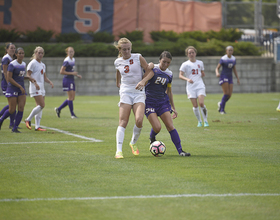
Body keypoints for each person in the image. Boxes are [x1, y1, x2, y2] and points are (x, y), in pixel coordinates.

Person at [136, 51, 191, 156]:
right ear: (159, 60)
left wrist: (173, 107)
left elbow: (169, 91)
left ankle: (180, 151)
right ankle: (152, 137)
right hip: (149, 102)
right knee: (157, 128)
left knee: (170, 126)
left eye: (168, 63)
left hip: (162, 102)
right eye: (164, 62)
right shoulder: (152, 68)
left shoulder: (169, 74)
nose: (165, 65)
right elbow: (145, 71)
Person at [114, 37, 154, 159]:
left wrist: (143, 81)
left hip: (139, 92)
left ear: (131, 48)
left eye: (128, 49)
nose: (127, 51)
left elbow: (150, 71)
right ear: (120, 50)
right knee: (123, 122)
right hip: (126, 92)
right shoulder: (117, 61)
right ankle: (118, 151)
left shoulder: (138, 57)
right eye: (124, 49)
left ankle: (133, 143)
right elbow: (118, 72)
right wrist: (118, 83)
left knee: (139, 120)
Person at [0, 48, 36, 132]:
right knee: (12, 109)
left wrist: (29, 78)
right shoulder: (12, 64)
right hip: (12, 88)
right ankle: (1, 120)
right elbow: (9, 78)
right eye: (19, 53)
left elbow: (20, 76)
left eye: (22, 53)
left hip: (21, 89)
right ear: (16, 54)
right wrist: (19, 86)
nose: (21, 55)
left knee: (21, 107)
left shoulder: (23, 64)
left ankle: (15, 128)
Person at [25, 46, 54, 131]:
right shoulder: (32, 63)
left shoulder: (43, 64)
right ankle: (28, 119)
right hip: (35, 87)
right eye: (39, 52)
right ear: (35, 53)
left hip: (41, 87)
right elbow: (28, 75)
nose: (40, 54)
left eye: (42, 53)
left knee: (39, 107)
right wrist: (34, 83)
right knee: (42, 105)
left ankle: (37, 126)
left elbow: (44, 77)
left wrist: (49, 82)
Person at [179, 46, 209, 127]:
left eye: (193, 52)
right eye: (189, 53)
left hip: (200, 85)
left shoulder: (200, 63)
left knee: (201, 103)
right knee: (195, 105)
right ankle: (199, 121)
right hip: (191, 87)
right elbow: (180, 75)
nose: (191, 54)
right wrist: (187, 79)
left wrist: (202, 74)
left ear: (195, 53)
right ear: (187, 54)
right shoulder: (185, 64)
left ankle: (205, 121)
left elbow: (202, 73)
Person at [55, 47, 82, 119]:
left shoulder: (73, 60)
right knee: (70, 98)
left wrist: (76, 75)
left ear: (74, 52)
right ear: (67, 53)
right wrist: (72, 73)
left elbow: (71, 70)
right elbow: (61, 72)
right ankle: (72, 114)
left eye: (72, 51)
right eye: (69, 52)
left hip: (72, 79)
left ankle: (59, 109)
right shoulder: (66, 60)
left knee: (72, 98)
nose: (71, 53)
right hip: (67, 80)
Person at [215, 45, 240, 114]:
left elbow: (234, 69)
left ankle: (220, 104)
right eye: (229, 50)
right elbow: (217, 68)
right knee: (226, 93)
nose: (230, 51)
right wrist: (217, 73)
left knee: (229, 95)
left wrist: (237, 78)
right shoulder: (223, 58)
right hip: (224, 76)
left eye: (231, 50)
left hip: (230, 77)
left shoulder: (233, 59)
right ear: (226, 51)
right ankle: (222, 110)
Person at [0, 43, 16, 129]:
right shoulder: (6, 58)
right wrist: (9, 83)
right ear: (7, 49)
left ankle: (12, 124)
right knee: (12, 104)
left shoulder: (11, 58)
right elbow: (5, 72)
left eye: (14, 48)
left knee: (13, 103)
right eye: (11, 48)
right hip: (7, 84)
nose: (13, 50)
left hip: (10, 83)